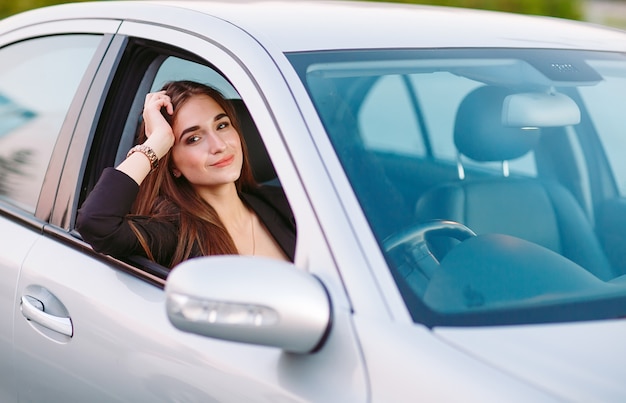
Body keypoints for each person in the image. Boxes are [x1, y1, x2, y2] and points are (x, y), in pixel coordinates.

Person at [76, 80, 296, 269]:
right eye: (193, 139)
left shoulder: (287, 204)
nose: (218, 145)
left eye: (221, 125)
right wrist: (155, 143)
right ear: (172, 164)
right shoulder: (175, 235)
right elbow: (96, 222)